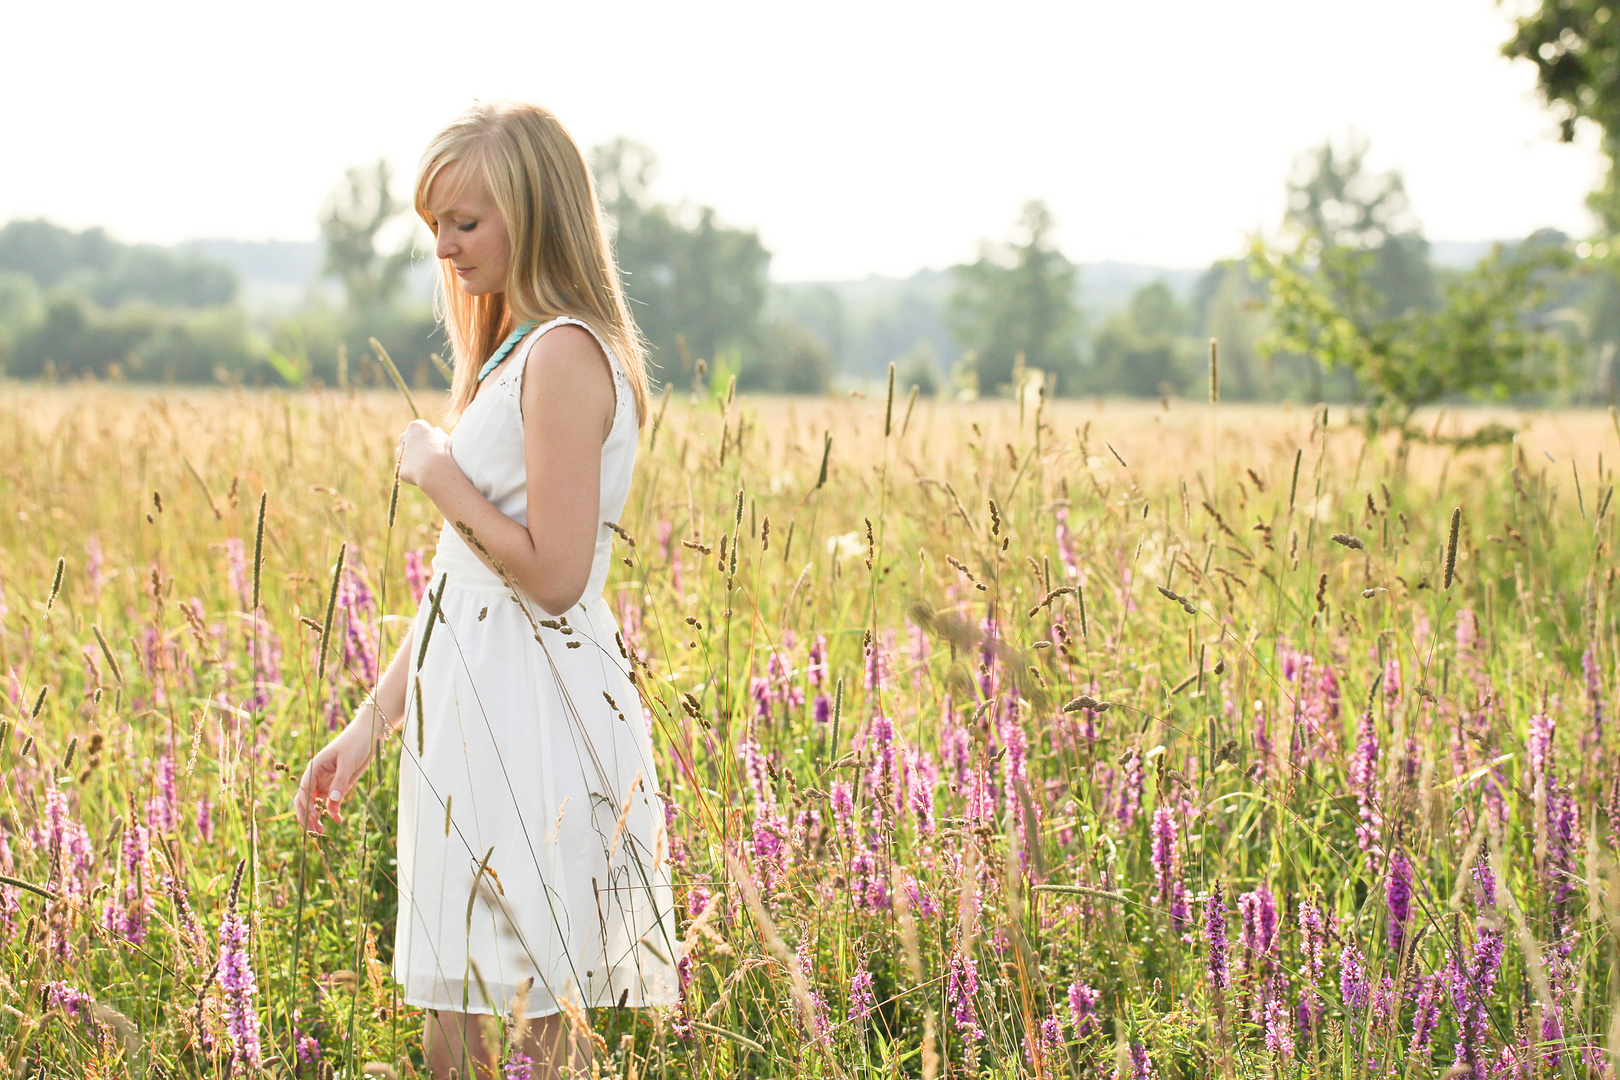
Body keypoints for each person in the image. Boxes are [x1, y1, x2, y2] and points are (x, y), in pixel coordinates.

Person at [293, 101, 678, 1079]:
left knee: (541, 1008)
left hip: (534, 708)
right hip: (467, 701)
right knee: (450, 998)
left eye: (466, 222)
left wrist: (436, 474)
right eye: (436, 227)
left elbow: (553, 575)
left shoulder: (565, 353)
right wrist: (368, 728)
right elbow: (457, 586)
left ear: (534, 211)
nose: (447, 248)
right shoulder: (514, 352)